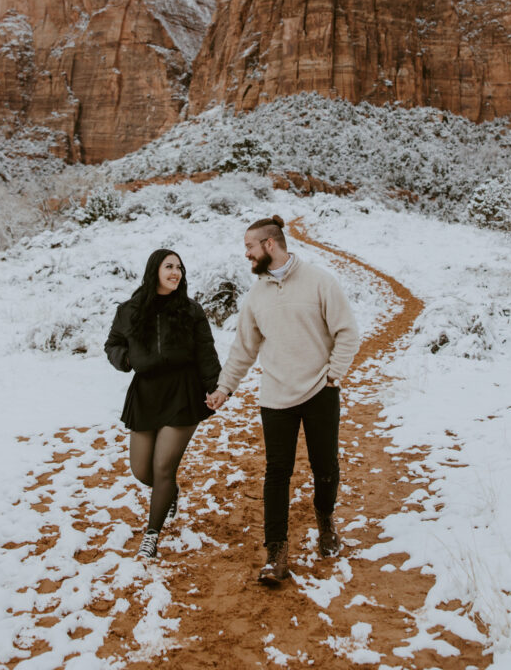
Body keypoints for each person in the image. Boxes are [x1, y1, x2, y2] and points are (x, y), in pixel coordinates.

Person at [206, 215, 359, 585]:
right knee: (277, 473)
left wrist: (333, 376)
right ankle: (276, 552)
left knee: (325, 467)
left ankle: (325, 522)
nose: (246, 254)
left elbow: (347, 332)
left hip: (320, 393)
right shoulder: (256, 296)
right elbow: (244, 348)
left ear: (269, 245)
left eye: (249, 247)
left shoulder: (319, 281)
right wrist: (225, 388)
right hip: (275, 397)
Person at [105, 248, 221, 560]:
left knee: (163, 466)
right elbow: (112, 343)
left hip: (183, 391)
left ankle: (152, 535)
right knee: (142, 470)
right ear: (154, 269)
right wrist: (127, 359)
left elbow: (206, 352)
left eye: (180, 268)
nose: (176, 273)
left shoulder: (190, 310)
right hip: (145, 393)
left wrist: (216, 388)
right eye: (169, 266)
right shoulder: (129, 310)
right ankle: (168, 491)